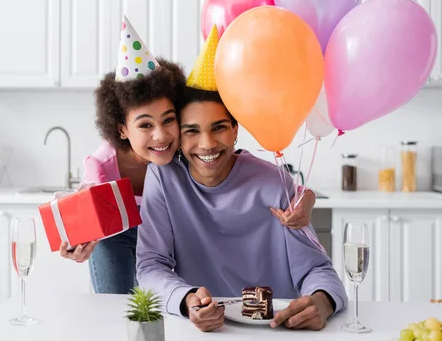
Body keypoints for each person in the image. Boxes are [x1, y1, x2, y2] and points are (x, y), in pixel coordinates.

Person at [59, 19, 318, 295]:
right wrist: (77, 242)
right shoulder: (101, 165)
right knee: (116, 306)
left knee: (158, 304)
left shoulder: (184, 151)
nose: (160, 136)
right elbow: (83, 217)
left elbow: (278, 185)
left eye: (168, 121)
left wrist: (307, 198)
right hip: (119, 237)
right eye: (145, 125)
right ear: (122, 129)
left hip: (163, 235)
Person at [135, 81, 348, 332]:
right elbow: (150, 266)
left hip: (277, 328)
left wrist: (323, 301)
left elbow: (315, 267)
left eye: (219, 127)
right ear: (178, 137)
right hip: (208, 332)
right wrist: (185, 299)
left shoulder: (273, 182)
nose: (207, 144)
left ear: (235, 129)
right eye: (192, 131)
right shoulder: (164, 179)